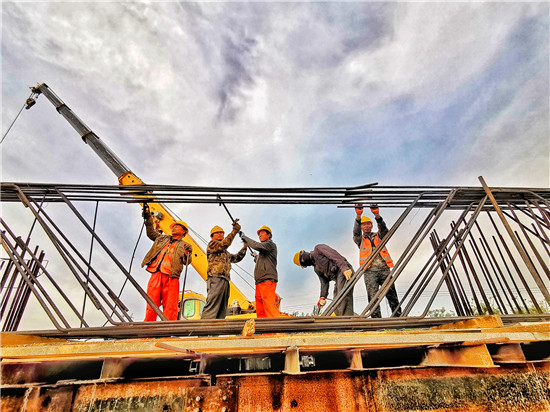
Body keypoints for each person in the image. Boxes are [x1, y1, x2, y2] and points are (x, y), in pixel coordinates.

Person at [141, 211, 193, 321]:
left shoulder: (185, 245)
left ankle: (168, 329)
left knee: (170, 306)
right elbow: (151, 233)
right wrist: (148, 219)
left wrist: (188, 252)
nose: (173, 228)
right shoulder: (162, 238)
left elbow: (187, 261)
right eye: (173, 227)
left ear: (184, 231)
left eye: (177, 227)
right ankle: (147, 328)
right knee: (151, 303)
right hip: (156, 273)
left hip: (171, 277)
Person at [353, 204, 402, 318]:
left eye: (368, 224)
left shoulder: (379, 236)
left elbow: (384, 230)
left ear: (371, 225)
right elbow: (355, 232)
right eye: (363, 224)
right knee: (373, 298)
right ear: (361, 227)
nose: (366, 226)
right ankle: (376, 320)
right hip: (370, 271)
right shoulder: (359, 239)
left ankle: (398, 317)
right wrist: (358, 216)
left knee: (391, 294)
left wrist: (377, 215)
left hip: (384, 269)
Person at [201, 220, 247, 319]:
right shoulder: (212, 245)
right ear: (212, 236)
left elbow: (236, 258)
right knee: (212, 304)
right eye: (217, 233)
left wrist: (244, 248)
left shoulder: (225, 253)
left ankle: (217, 328)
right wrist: (234, 231)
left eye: (221, 233)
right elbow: (225, 243)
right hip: (215, 278)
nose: (220, 234)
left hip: (225, 279)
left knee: (222, 308)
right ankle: (204, 326)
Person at [293, 245, 354, 316]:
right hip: (338, 279)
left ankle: (346, 321)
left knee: (342, 298)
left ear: (303, 258)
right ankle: (340, 320)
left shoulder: (318, 249)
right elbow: (324, 282)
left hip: (344, 271)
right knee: (336, 302)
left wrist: (344, 268)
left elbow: (334, 255)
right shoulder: (317, 269)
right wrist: (322, 297)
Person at [241, 225, 280, 318]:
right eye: (259, 234)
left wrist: (244, 237)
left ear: (269, 235)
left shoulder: (270, 245)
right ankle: (263, 327)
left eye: (262, 233)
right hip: (259, 281)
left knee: (269, 305)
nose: (260, 235)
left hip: (267, 280)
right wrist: (256, 257)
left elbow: (256, 245)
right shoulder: (263, 251)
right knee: (260, 308)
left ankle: (276, 326)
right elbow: (262, 260)